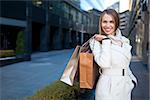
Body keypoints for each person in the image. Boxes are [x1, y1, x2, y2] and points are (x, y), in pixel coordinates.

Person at [89, 9, 137, 100]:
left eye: (111, 22)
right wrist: (105, 41)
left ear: (117, 23)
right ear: (101, 23)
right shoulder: (95, 42)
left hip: (125, 86)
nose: (107, 25)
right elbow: (104, 63)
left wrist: (132, 81)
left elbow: (126, 65)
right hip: (107, 87)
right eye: (104, 22)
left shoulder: (124, 41)